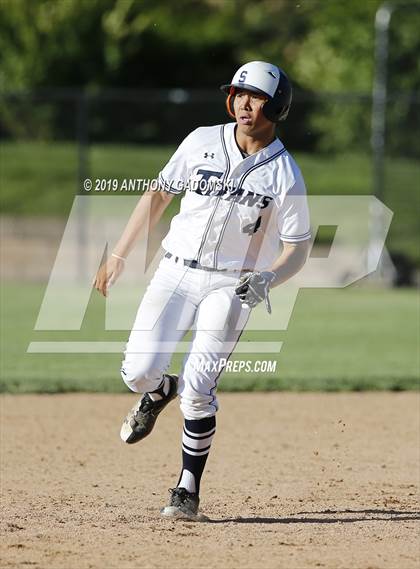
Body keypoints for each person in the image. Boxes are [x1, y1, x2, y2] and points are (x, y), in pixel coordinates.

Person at [94, 61, 311, 521]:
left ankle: (186, 488)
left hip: (231, 286)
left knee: (198, 388)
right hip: (174, 272)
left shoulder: (285, 174)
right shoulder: (200, 140)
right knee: (137, 372)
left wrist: (268, 278)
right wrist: (120, 254)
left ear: (277, 107)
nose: (244, 103)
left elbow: (297, 249)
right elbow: (158, 196)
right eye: (238, 93)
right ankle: (157, 392)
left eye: (255, 96)